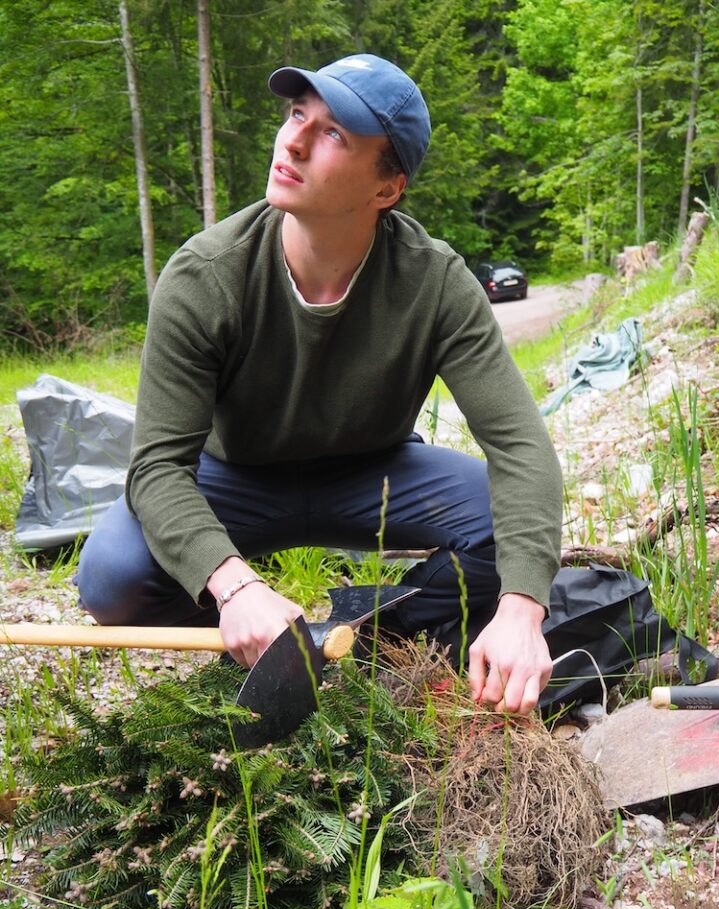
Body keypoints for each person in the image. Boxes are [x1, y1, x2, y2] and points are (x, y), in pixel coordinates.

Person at [76, 53, 563, 714]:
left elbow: (521, 449)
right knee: (113, 576)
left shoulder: (436, 283)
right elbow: (158, 466)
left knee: (504, 534)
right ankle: (258, 653)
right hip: (233, 479)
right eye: (297, 114)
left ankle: (375, 646)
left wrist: (523, 609)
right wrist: (236, 587)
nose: (294, 140)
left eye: (333, 133)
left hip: (375, 474)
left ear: (387, 188)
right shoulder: (206, 274)